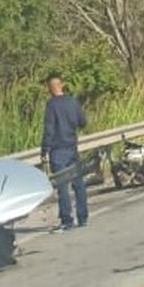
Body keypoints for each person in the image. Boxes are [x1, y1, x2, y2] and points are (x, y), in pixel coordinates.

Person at [40, 75, 89, 231]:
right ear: (61, 86)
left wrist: (44, 149)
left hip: (58, 149)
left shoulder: (52, 105)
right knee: (78, 184)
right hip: (72, 147)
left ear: (51, 88)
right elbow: (83, 122)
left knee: (62, 186)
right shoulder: (73, 102)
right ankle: (83, 217)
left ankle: (67, 220)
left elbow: (49, 128)